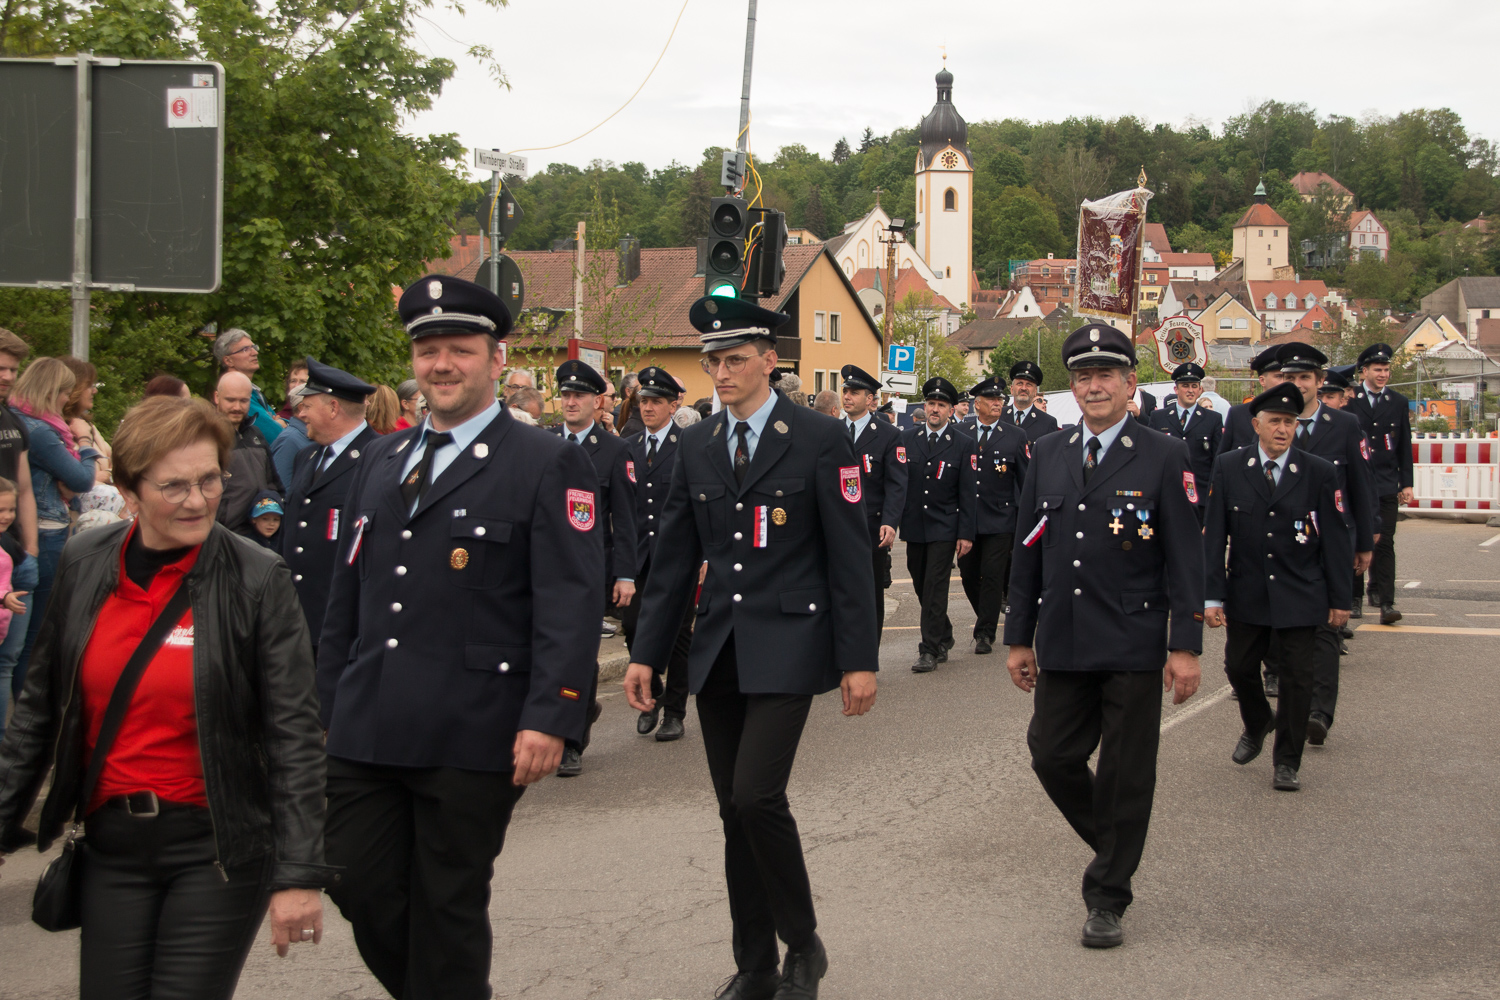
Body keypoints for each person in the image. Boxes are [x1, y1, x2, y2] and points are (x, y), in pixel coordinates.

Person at [317, 275, 602, 1000]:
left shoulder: (544, 460)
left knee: (447, 903)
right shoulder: (381, 460)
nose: (441, 365)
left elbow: (569, 598)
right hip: (369, 719)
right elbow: (347, 596)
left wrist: (553, 713)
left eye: (460, 350)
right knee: (354, 879)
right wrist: (323, 707)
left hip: (475, 725)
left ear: (496, 359)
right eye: (427, 351)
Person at [0, 395, 333, 997]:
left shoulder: (258, 578)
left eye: (209, 479)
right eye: (174, 485)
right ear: (129, 492)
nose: (198, 500)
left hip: (216, 850)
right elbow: (38, 712)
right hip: (111, 848)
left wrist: (299, 872)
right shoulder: (84, 561)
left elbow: (294, 735)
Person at [623, 295, 877, 1000]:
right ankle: (756, 964)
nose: (722, 372)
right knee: (733, 812)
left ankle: (803, 943)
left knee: (756, 796)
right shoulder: (698, 442)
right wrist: (646, 653)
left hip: (792, 640)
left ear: (770, 361)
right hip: (720, 649)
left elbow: (849, 556)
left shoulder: (820, 438)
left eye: (735, 359)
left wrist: (859, 660)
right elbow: (674, 559)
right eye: (713, 361)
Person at [1005, 322, 1204, 950]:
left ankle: (1107, 896)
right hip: (1064, 636)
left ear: (1129, 383)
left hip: (1132, 638)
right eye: (1083, 377)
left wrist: (1184, 646)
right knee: (1051, 754)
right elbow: (1027, 550)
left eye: (1105, 376)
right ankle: (1118, 844)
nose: (1094, 387)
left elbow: (1186, 557)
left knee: (1125, 772)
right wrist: (1018, 637)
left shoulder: (1164, 454)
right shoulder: (1049, 452)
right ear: (1073, 387)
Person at [1203, 382, 1352, 792]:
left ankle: (1287, 760)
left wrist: (1340, 599)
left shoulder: (1318, 472)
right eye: (1275, 422)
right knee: (1239, 667)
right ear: (1257, 425)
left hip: (1301, 591)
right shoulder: (1230, 466)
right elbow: (1214, 535)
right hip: (1247, 589)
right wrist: (1212, 596)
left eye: (1290, 422)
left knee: (1297, 680)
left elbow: (1336, 540)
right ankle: (1257, 721)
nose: (1283, 429)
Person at [1268, 342, 1376, 744]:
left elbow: (1360, 484)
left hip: (1332, 541)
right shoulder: (1272, 423)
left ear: (1320, 381)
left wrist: (1365, 540)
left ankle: (1319, 712)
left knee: (1329, 626)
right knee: (1286, 630)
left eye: (1304, 377)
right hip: (1284, 543)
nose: (1297, 384)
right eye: (1290, 377)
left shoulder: (1344, 425)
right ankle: (1289, 700)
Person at [550, 359, 637, 775]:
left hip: (588, 572)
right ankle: (562, 718)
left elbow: (626, 519)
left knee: (578, 655)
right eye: (565, 395)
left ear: (597, 402)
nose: (571, 402)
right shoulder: (543, 443)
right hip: (543, 569)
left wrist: (625, 574)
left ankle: (571, 739)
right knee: (545, 654)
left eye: (579, 395)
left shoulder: (615, 451)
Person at [11, 358, 100, 697]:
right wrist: (85, 442)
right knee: (35, 638)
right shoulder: (42, 432)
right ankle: (26, 714)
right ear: (51, 392)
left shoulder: (18, 420)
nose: (66, 399)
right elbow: (81, 479)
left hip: (37, 527)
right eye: (64, 392)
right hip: (46, 532)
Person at [281, 358, 378, 654]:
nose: (301, 413)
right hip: (294, 621)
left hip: (343, 628)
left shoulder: (379, 459)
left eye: (307, 405)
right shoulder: (307, 456)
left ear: (333, 408)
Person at [619, 366, 693, 741]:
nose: (647, 408)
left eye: (656, 402)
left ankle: (675, 712)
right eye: (643, 401)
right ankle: (654, 695)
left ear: (672, 405)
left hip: (678, 556)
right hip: (637, 557)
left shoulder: (688, 445)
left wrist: (703, 558)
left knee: (678, 636)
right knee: (634, 627)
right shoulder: (628, 447)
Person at [898, 376, 976, 673]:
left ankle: (929, 649)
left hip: (945, 525)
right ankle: (944, 633)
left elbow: (968, 492)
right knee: (920, 583)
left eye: (941, 405)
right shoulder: (907, 439)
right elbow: (898, 484)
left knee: (935, 586)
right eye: (931, 403)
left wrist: (966, 533)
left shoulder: (963, 444)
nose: (934, 409)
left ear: (951, 410)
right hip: (915, 525)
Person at [956, 375, 1028, 655]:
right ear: (978, 404)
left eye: (1000, 399)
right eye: (992, 400)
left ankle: (985, 631)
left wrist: (1023, 517)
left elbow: (1025, 480)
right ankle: (984, 615)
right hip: (967, 518)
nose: (998, 404)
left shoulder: (1015, 435)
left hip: (1000, 518)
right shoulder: (960, 431)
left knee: (993, 574)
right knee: (968, 574)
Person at [839, 364, 906, 654]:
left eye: (854, 392)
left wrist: (890, 521)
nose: (847, 396)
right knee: (838, 592)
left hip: (870, 526)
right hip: (837, 526)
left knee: (870, 593)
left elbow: (896, 483)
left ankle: (867, 654)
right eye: (845, 391)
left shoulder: (888, 435)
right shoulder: (832, 431)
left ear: (870, 399)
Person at [1349, 343, 1412, 625]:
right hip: (1357, 481)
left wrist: (1406, 483)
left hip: (1385, 482)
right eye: (1378, 369)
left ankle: (1387, 602)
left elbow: (1404, 445)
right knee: (1356, 540)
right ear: (1364, 371)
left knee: (1385, 541)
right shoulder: (1351, 399)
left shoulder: (1397, 401)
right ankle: (1354, 598)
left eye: (1386, 369)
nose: (1383, 374)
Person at [0, 330, 38, 740]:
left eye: (13, 369)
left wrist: (30, 549)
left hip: (18, 558)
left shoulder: (13, 421)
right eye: (1, 368)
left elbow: (25, 489)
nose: (8, 377)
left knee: (9, 662)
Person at [1147, 362, 1222, 523]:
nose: (1190, 390)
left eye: (1194, 386)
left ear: (1200, 390)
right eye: (1185, 386)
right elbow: (1151, 456)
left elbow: (1216, 460)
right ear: (1176, 389)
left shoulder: (1213, 419)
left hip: (1200, 497)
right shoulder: (1159, 417)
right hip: (1166, 494)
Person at [213, 371, 283, 538]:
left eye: (243, 401)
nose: (237, 407)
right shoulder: (207, 437)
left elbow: (273, 484)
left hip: (259, 536)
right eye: (230, 400)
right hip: (225, 535)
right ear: (217, 397)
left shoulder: (255, 435)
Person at [213, 328, 284, 442]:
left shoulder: (253, 391)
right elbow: (276, 434)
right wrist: (280, 424)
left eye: (253, 347)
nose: (255, 352)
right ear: (228, 360)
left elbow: (278, 427)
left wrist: (284, 423)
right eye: (245, 349)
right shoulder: (239, 395)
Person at [1218, 347, 1284, 455]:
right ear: (1262, 381)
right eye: (1279, 376)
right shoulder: (1238, 415)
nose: (1285, 382)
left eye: (1289, 377)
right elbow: (1222, 458)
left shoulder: (1300, 414)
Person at [60, 358, 112, 486]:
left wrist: (107, 474)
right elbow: (67, 481)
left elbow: (117, 463)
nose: (95, 391)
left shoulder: (89, 426)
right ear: (74, 389)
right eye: (89, 386)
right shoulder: (55, 429)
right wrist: (96, 477)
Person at [1002, 361, 1060, 441]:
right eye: (1020, 383)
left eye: (1029, 384)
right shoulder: (998, 416)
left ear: (1035, 391)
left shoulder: (1048, 422)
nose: (1024, 388)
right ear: (1012, 389)